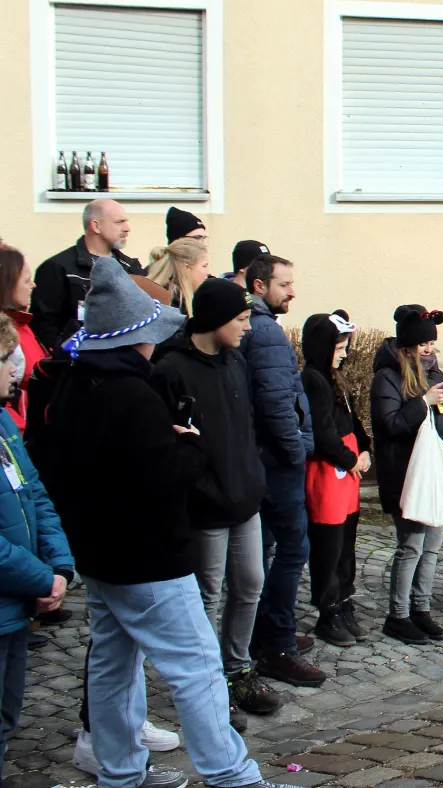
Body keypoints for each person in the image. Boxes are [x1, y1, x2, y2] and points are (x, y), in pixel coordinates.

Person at [47, 257, 279, 788]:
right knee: (196, 667)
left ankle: (121, 773)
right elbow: (166, 477)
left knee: (112, 665)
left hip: (101, 556)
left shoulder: (75, 387)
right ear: (135, 340)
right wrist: (189, 447)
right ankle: (232, 777)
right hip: (149, 557)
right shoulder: (131, 395)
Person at [151, 280, 281, 724]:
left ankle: (237, 668)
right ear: (215, 321)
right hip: (205, 504)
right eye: (241, 320)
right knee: (208, 594)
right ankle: (208, 684)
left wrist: (254, 476)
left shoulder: (235, 362)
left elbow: (246, 426)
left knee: (249, 584)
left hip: (244, 497)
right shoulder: (171, 369)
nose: (247, 328)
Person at [238, 255, 322, 688]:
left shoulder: (252, 325)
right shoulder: (266, 331)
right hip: (277, 462)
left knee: (267, 550)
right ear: (258, 285)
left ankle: (263, 634)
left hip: (264, 458)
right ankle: (277, 644)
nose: (292, 291)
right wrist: (296, 452)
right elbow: (275, 402)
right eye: (284, 284)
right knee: (291, 549)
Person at [0, 315, 75, 767]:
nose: (16, 369)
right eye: (4, 360)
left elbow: (36, 493)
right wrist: (40, 577)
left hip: (17, 604)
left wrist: (59, 567)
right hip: (15, 590)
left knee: (8, 715)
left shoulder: (6, 424)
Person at [371, 305, 443, 644]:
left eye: (432, 344)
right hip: (406, 472)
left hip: (437, 470)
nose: (429, 349)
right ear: (409, 344)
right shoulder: (388, 376)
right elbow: (390, 424)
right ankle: (397, 615)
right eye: (423, 344)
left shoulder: (433, 371)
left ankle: (421, 609)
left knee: (432, 547)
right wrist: (423, 401)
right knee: (410, 546)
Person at [299, 311, 371, 647]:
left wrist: (366, 448)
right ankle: (328, 608)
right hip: (329, 472)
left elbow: (353, 421)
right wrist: (349, 459)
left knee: (346, 545)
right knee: (328, 546)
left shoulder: (335, 378)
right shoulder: (313, 379)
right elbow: (323, 432)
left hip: (348, 472)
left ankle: (344, 600)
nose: (344, 353)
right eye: (338, 347)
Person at [30, 199, 145, 352]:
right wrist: (64, 358)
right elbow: (45, 325)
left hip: (125, 363)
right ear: (96, 226)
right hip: (78, 365)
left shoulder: (131, 268)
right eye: (119, 222)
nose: (127, 228)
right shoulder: (58, 268)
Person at [0, 246, 46, 432]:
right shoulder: (5, 335)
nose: (33, 285)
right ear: (7, 285)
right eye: (27, 280)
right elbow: (7, 403)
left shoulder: (22, 324)